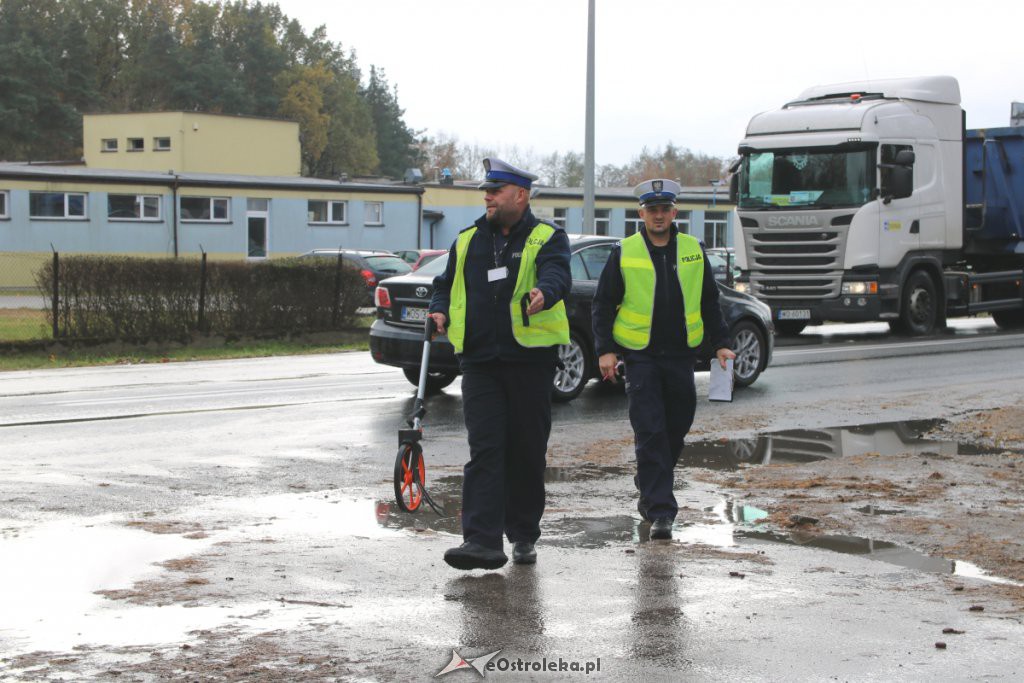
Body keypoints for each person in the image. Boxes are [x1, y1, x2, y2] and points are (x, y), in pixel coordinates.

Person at [429, 158, 571, 570]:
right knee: (485, 450)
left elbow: (557, 273)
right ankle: (481, 541)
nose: (487, 197)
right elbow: (444, 286)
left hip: (529, 360)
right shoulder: (468, 239)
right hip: (479, 362)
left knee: (526, 453)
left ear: (520, 196)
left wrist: (545, 291)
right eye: (486, 192)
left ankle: (523, 533)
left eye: (496, 191)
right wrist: (439, 312)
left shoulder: (547, 237)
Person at [592, 178, 736, 540]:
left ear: (674, 213)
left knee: (677, 427)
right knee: (650, 430)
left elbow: (708, 300)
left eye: (664, 209)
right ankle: (661, 512)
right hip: (640, 356)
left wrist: (720, 343)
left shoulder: (691, 249)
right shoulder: (624, 250)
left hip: (680, 356)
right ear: (641, 214)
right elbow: (603, 303)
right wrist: (605, 349)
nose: (658, 215)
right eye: (651, 210)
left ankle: (648, 478)